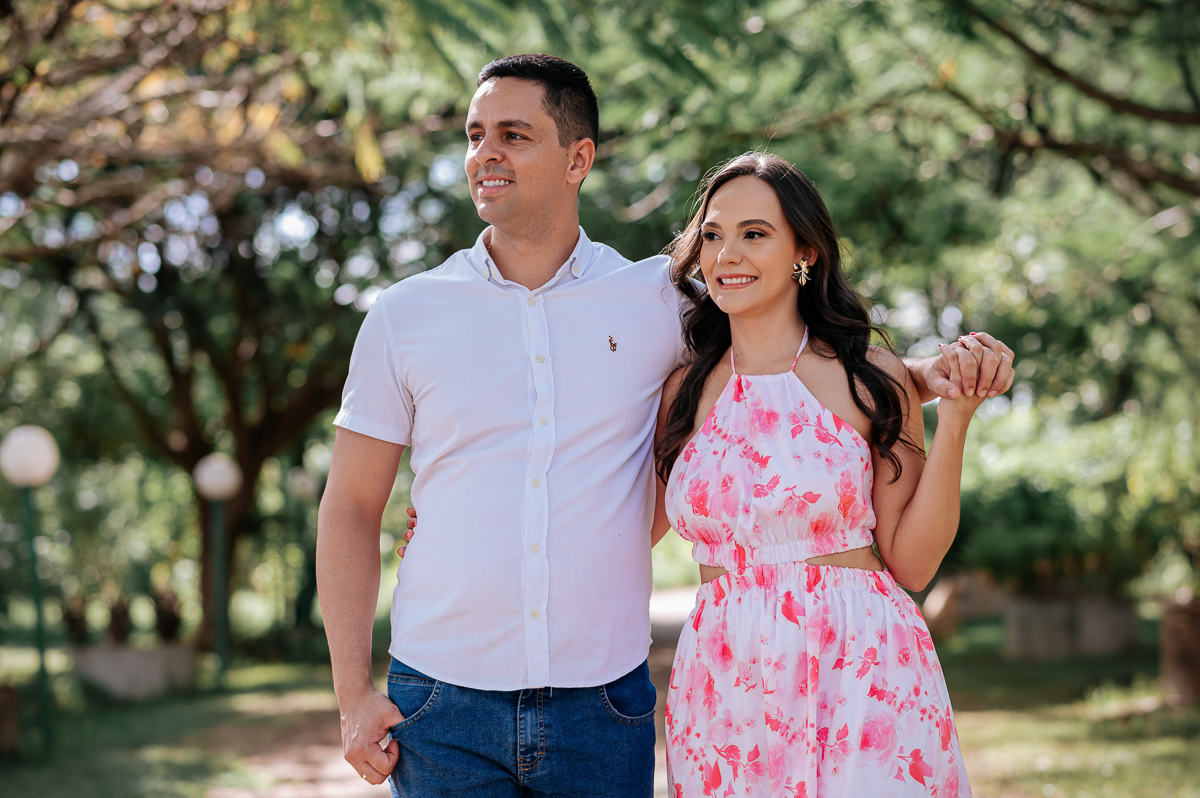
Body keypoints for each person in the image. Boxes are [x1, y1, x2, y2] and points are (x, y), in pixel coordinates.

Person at [318, 54, 1012, 797]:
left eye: (514, 134)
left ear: (578, 157)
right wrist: (353, 694)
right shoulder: (405, 315)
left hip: (603, 701)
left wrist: (922, 374)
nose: (486, 152)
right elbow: (351, 506)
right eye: (475, 133)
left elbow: (784, 342)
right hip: (443, 695)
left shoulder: (655, 301)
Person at [654, 152, 982, 796]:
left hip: (862, 668)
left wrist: (958, 421)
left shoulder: (872, 378)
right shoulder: (682, 393)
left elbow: (912, 564)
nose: (727, 255)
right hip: (725, 681)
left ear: (804, 250)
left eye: (755, 234)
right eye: (713, 236)